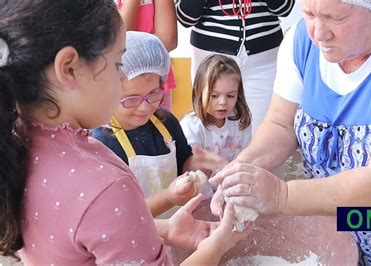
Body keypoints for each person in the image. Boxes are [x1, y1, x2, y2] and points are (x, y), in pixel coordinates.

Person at [209, 0, 371, 265]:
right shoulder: (302, 41)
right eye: (309, 13)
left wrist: (281, 195)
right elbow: (281, 125)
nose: (318, 32)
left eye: (335, 18)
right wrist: (242, 171)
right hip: (333, 222)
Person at [0, 0, 250, 264]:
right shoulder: (106, 185)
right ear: (69, 68)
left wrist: (162, 228)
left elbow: (83, 232)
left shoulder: (17, 144)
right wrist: (218, 245)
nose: (122, 78)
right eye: (118, 63)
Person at [93, 31, 227, 217]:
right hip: (133, 235)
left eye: (154, 94)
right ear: (106, 92)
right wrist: (168, 198)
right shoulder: (101, 143)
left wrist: (199, 163)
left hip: (176, 228)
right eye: (131, 99)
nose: (145, 107)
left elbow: (183, 164)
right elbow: (118, 215)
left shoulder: (166, 123)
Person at [176, 0, 295, 132]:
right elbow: (185, 17)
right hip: (211, 61)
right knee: (210, 132)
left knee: (265, 132)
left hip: (264, 61)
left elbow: (284, 8)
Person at [180, 54, 252, 162]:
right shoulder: (191, 126)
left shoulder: (240, 121)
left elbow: (247, 157)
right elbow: (189, 165)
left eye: (230, 96)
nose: (223, 102)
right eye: (214, 96)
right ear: (198, 91)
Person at [117, 0, 177, 110]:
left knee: (160, 125)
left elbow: (169, 40)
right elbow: (118, 43)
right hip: (116, 86)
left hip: (155, 86)